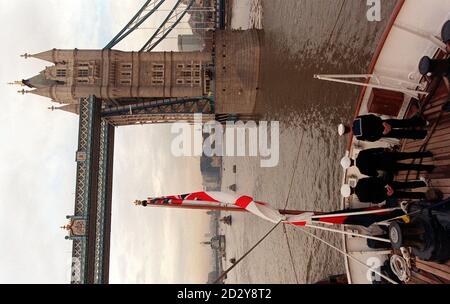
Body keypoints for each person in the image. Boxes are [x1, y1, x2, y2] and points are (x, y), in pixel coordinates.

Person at [340, 148, 435, 177]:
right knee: (408, 154)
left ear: (350, 166)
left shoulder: (362, 170)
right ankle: (427, 154)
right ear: (350, 158)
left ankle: (428, 168)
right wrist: (383, 149)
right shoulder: (361, 153)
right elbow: (374, 150)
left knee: (408, 167)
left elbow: (375, 173)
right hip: (387, 156)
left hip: (388, 166)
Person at [338, 114, 428, 142]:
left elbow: (372, 139)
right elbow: (371, 116)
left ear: (346, 133)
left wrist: (382, 134)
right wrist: (382, 122)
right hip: (383, 123)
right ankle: (423, 122)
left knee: (403, 134)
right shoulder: (357, 118)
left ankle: (422, 135)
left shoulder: (358, 136)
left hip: (384, 132)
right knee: (403, 123)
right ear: (346, 125)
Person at [340, 177, 428, 204]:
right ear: (350, 186)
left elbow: (376, 200)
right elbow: (375, 179)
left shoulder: (361, 198)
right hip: (387, 185)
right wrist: (386, 185)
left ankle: (424, 195)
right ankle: (423, 183)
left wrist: (387, 195)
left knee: (406, 195)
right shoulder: (360, 182)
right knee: (405, 184)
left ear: (350, 194)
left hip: (388, 194)